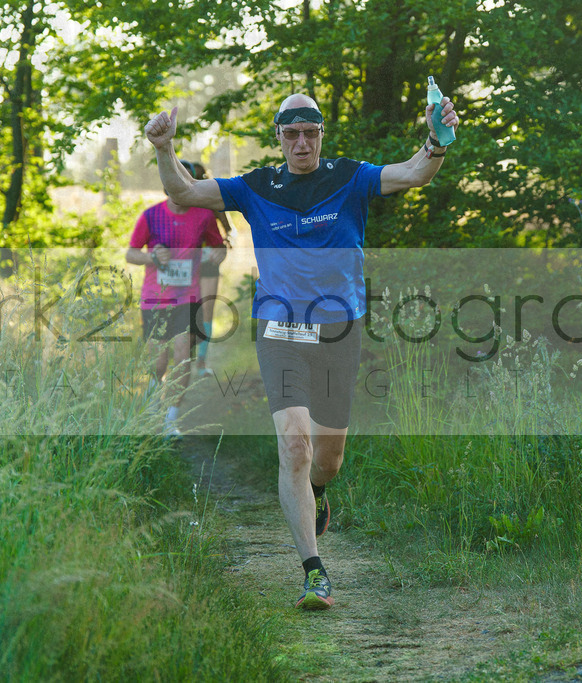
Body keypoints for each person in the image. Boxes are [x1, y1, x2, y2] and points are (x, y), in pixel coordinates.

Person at [144, 91, 459, 609]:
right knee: (295, 445)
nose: (301, 143)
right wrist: (163, 148)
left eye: (310, 132)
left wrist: (438, 138)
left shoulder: (349, 177)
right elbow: (185, 187)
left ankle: (318, 495)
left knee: (326, 462)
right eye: (291, 134)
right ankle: (314, 572)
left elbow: (413, 173)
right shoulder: (255, 186)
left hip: (339, 331)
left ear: (320, 135)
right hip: (280, 328)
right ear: (278, 138)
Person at [125, 161, 226, 436]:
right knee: (158, 364)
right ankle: (153, 397)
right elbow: (131, 254)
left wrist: (219, 254)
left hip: (187, 298)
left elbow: (219, 246)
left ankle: (171, 420)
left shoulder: (203, 216)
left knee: (182, 358)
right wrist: (152, 257)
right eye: (175, 185)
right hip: (155, 299)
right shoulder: (150, 216)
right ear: (166, 186)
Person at [190, 161, 235, 378]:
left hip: (208, 261)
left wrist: (225, 245)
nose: (196, 182)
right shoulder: (178, 201)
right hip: (184, 264)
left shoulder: (212, 203)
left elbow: (229, 231)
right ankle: (183, 358)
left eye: (201, 178)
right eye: (193, 177)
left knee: (206, 309)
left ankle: (201, 360)